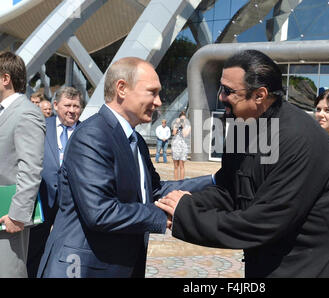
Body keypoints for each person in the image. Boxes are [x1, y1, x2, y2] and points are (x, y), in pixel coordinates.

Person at [155, 50, 329, 278]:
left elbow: (264, 221)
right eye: (221, 88)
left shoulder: (300, 138)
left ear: (260, 95)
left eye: (229, 91)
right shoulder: (241, 124)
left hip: (320, 263)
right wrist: (179, 202)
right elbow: (231, 190)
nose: (220, 97)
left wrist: (187, 214)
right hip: (273, 257)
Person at [37, 57, 213, 278]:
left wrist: (214, 182)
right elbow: (100, 211)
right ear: (122, 88)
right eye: (152, 92)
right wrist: (164, 216)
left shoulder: (135, 140)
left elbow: (154, 191)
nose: (159, 101)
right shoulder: (93, 135)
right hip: (83, 268)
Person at [27, 86, 83, 278]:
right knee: (34, 247)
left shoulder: (86, 131)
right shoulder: (42, 126)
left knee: (64, 249)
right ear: (56, 105)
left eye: (77, 106)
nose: (72, 110)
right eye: (68, 105)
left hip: (71, 204)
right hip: (42, 199)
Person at [0, 51, 46, 277]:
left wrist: (17, 215)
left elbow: (30, 168)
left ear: (5, 79)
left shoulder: (27, 113)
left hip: (8, 218)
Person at [171, 111, 191, 180]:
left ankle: (181, 182)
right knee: (176, 165)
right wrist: (176, 124)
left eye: (184, 119)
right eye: (181, 119)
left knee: (182, 165)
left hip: (183, 147)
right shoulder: (176, 125)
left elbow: (185, 135)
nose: (182, 121)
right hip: (176, 146)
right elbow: (173, 133)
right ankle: (175, 181)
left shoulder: (188, 126)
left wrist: (183, 126)